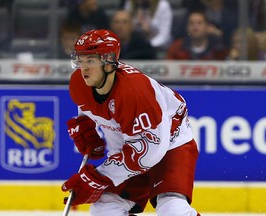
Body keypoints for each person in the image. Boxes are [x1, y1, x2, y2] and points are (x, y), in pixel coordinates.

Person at [61, 29, 200, 216]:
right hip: (129, 148)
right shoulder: (79, 82)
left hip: (170, 144)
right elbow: (87, 106)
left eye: (91, 61)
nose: (83, 68)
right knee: (104, 208)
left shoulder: (135, 93)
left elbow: (149, 152)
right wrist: (86, 126)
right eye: (81, 60)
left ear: (109, 62)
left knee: (171, 209)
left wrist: (98, 177)